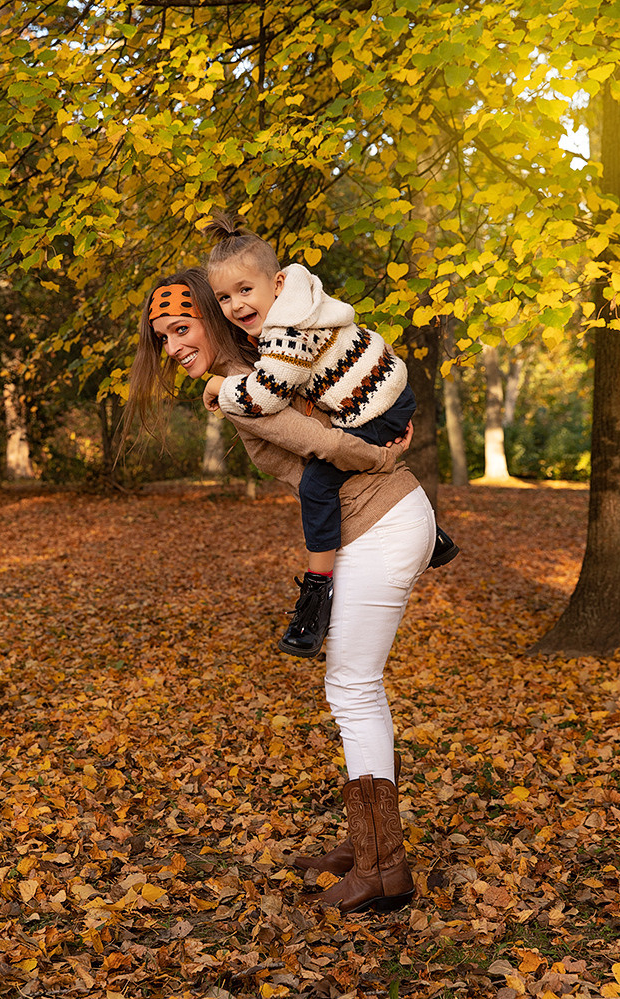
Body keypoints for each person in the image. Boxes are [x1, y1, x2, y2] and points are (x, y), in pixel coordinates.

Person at [123, 266, 439, 916]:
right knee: (356, 686)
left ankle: (384, 869)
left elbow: (322, 442)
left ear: (210, 317)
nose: (174, 346)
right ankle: (369, 847)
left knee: (350, 685)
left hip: (383, 521)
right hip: (371, 523)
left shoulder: (254, 381)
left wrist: (380, 458)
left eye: (181, 328)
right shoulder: (256, 370)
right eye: (163, 338)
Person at [200, 214, 458, 660]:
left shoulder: (287, 332)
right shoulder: (306, 300)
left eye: (246, 290)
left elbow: (265, 395)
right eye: (224, 297)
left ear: (277, 284)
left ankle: (317, 592)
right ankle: (433, 538)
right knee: (335, 462)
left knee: (320, 484)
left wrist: (221, 388)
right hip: (387, 389)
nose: (236, 305)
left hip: (374, 404)